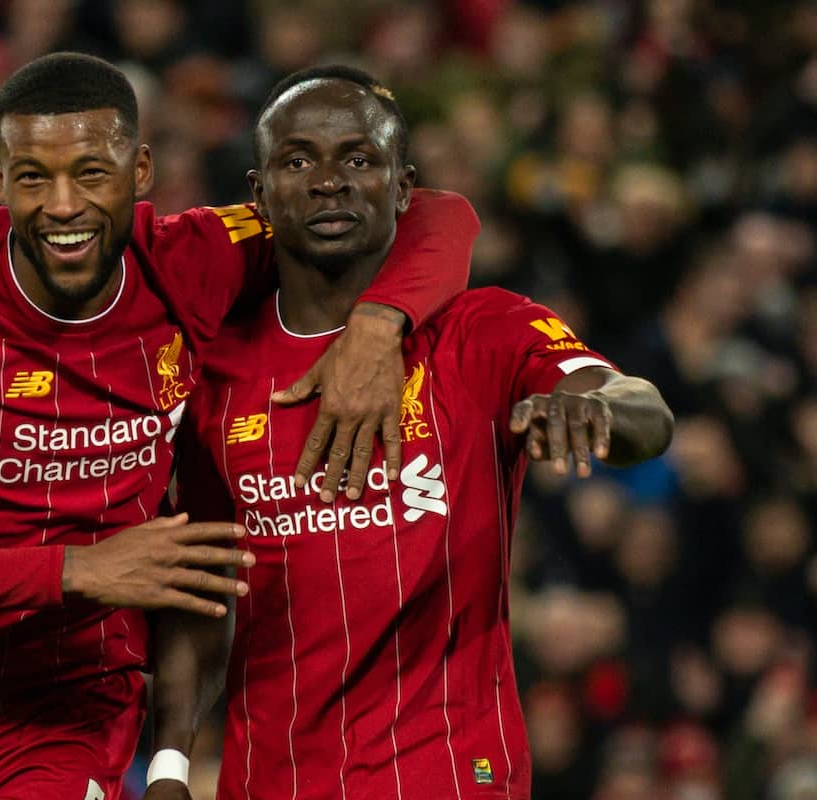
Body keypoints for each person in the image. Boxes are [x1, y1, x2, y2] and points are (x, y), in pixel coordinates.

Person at [0, 53, 474, 799]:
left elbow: (437, 213)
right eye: (32, 178)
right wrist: (78, 569)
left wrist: (379, 327)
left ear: (140, 170)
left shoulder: (193, 261)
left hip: (61, 708)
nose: (62, 207)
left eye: (91, 173)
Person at [150, 66, 673, 800]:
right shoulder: (217, 369)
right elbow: (203, 591)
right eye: (298, 160)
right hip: (269, 780)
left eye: (358, 158)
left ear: (403, 187)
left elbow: (643, 411)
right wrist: (170, 766)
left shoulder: (482, 330)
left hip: (449, 772)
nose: (329, 181)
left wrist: (598, 410)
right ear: (259, 193)